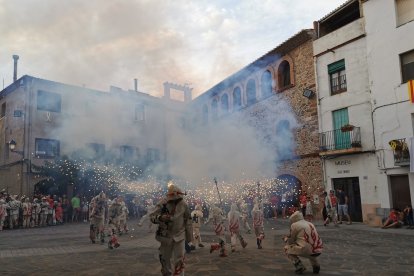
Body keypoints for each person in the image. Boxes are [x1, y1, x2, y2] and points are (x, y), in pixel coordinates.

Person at [150, 182, 193, 276]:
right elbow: (152, 216)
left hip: (179, 235)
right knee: (165, 259)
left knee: (180, 259)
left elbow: (188, 221)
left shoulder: (183, 204)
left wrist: (189, 238)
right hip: (166, 236)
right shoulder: (163, 203)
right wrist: (160, 218)